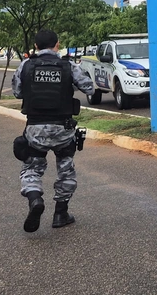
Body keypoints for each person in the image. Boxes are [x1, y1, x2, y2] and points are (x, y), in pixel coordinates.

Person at [12, 29, 95, 232]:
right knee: (66, 170)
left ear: (36, 46)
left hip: (35, 129)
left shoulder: (26, 65)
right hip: (63, 130)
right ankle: (61, 214)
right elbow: (90, 88)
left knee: (32, 168)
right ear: (57, 45)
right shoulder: (68, 66)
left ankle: (35, 199)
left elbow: (17, 92)